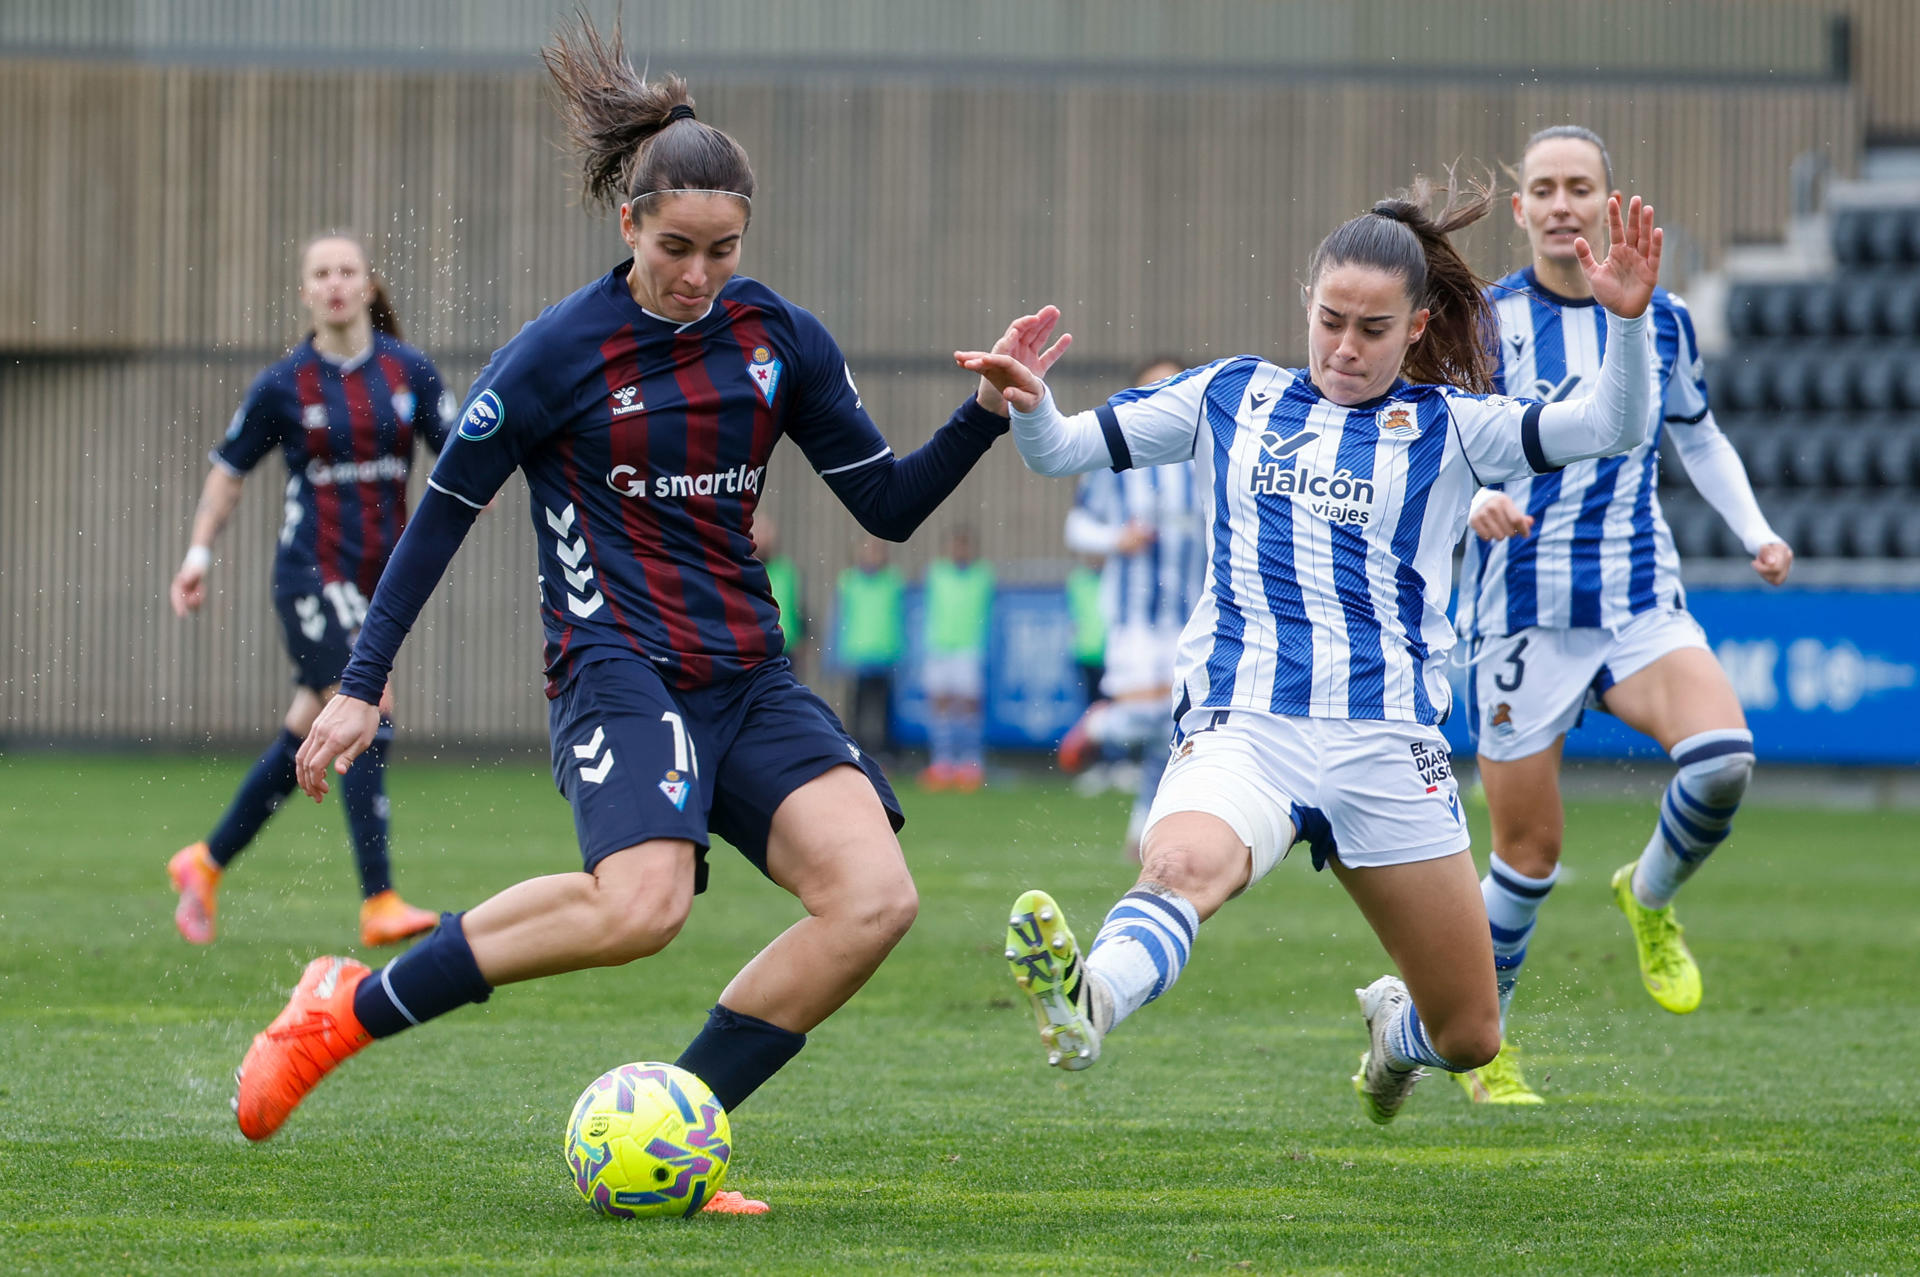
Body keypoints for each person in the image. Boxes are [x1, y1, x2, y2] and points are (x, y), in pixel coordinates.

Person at [230, 19, 1017, 1212]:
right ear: (627, 226)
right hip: (616, 663)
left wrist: (984, 413)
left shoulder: (778, 339)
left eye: (723, 249)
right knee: (640, 905)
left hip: (748, 672)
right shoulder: (557, 353)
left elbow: (885, 502)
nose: (699, 274)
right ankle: (346, 1009)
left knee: (875, 899)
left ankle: (675, 1136)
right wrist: (359, 677)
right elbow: (439, 515)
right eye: (676, 247)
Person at [958, 179, 1665, 1124]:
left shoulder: (1455, 427)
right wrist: (1032, 403)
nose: (1344, 347)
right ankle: (1092, 1001)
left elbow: (1610, 427)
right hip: (1245, 722)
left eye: (1373, 329)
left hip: (1387, 743)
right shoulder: (1230, 396)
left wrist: (1625, 325)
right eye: (1330, 320)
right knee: (1177, 866)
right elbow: (1062, 452)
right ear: (1307, 305)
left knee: (1469, 1035)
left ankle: (1393, 1035)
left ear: (1416, 327)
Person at [1451, 126, 1792, 1105]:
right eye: (1544, 189)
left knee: (1725, 756)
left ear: (1609, 203)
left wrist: (1756, 530)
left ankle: (1647, 895)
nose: (1563, 204)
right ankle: (1487, 1046)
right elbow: (1447, 449)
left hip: (1639, 600)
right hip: (1519, 613)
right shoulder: (1483, 323)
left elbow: (1700, 434)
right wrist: (1477, 502)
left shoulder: (1664, 319)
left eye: (1580, 188)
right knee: (1526, 856)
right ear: (1519, 209)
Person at [166, 231, 450, 949]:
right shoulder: (283, 384)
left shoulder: (409, 371)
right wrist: (198, 551)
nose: (333, 283)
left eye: (345, 271)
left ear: (365, 284)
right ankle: (379, 899)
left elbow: (463, 455)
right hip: (308, 576)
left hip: (377, 584)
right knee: (368, 708)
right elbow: (228, 472)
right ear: (306, 292)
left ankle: (204, 861)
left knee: (307, 726)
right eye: (320, 273)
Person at [1057, 356, 1205, 855]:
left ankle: (1143, 825)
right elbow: (1077, 527)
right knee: (1150, 720)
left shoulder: (1206, 457)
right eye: (1152, 389)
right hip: (1135, 615)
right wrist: (1117, 538)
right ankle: (1101, 722)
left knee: (1178, 724)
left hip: (1193, 613)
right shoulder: (1118, 462)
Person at [917, 525, 995, 791]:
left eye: (964, 545)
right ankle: (943, 763)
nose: (959, 551)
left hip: (968, 647)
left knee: (969, 706)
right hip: (939, 646)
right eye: (955, 545)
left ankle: (970, 763)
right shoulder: (936, 573)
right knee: (940, 705)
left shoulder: (982, 575)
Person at [835, 536, 906, 758]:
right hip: (858, 654)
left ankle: (885, 753)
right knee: (857, 708)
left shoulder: (893, 581)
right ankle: (856, 750)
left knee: (885, 709)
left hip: (886, 654)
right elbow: (840, 619)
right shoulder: (848, 581)